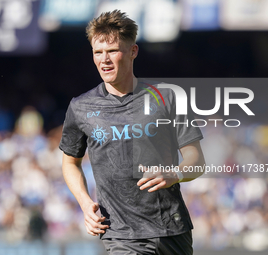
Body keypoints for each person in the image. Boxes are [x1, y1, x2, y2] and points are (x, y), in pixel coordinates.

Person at [59, 10, 205, 255]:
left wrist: (174, 173)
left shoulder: (167, 97)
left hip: (173, 230)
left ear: (133, 51)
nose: (104, 59)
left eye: (112, 51)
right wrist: (85, 204)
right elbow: (70, 163)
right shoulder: (80, 107)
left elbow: (197, 161)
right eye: (97, 52)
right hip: (121, 235)